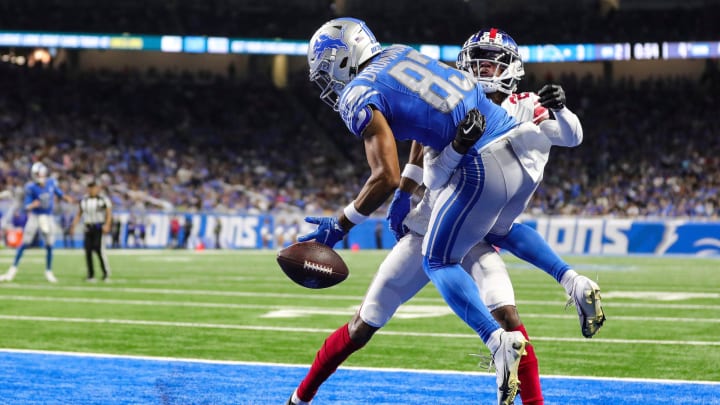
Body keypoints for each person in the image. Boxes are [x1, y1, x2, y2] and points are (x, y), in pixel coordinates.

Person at [287, 26, 603, 405]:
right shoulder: (416, 62)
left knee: (497, 313)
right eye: (480, 63)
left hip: (461, 206)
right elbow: (424, 137)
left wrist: (342, 225)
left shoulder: (515, 101)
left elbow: (416, 171)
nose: (484, 70)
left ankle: (517, 350)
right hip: (462, 208)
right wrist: (408, 187)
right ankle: (300, 398)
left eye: (491, 64)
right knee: (365, 321)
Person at [0, 162, 73, 283]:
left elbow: (59, 193)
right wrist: (32, 205)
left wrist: (66, 198)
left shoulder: (51, 182)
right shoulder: (30, 187)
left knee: (49, 244)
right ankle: (12, 270)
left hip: (48, 217)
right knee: (25, 242)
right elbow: (26, 206)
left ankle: (48, 271)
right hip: (35, 216)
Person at [69, 179, 113, 282]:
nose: (91, 190)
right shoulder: (84, 200)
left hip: (98, 227)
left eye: (93, 187)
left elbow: (109, 213)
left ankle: (105, 273)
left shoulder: (103, 200)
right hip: (88, 227)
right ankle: (90, 275)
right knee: (88, 251)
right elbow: (79, 214)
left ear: (97, 188)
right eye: (90, 188)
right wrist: (73, 226)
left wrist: (107, 225)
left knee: (99, 250)